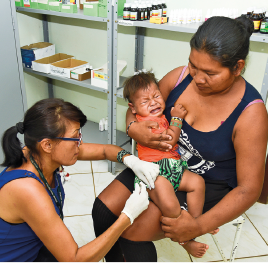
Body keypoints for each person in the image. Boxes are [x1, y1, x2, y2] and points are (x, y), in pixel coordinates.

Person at [92, 15, 268, 261]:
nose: (196, 78)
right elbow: (136, 108)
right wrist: (133, 128)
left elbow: (249, 189)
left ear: (237, 67)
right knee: (102, 210)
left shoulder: (251, 113)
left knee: (131, 231)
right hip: (161, 162)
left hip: (203, 183)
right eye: (193, 66)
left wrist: (198, 226)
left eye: (209, 72)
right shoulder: (179, 77)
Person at [0, 98, 160, 262]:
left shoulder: (40, 153)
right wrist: (128, 216)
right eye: (75, 137)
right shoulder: (27, 189)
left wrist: (131, 160)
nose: (80, 142)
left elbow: (105, 151)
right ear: (47, 145)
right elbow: (74, 259)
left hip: (35, 246)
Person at [123, 71, 207, 257]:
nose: (153, 102)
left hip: (174, 167)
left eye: (156, 96)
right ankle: (185, 240)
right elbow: (169, 140)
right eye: (145, 101)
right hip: (154, 172)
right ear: (133, 108)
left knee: (197, 183)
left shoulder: (159, 116)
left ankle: (194, 222)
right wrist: (177, 119)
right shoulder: (145, 124)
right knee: (167, 198)